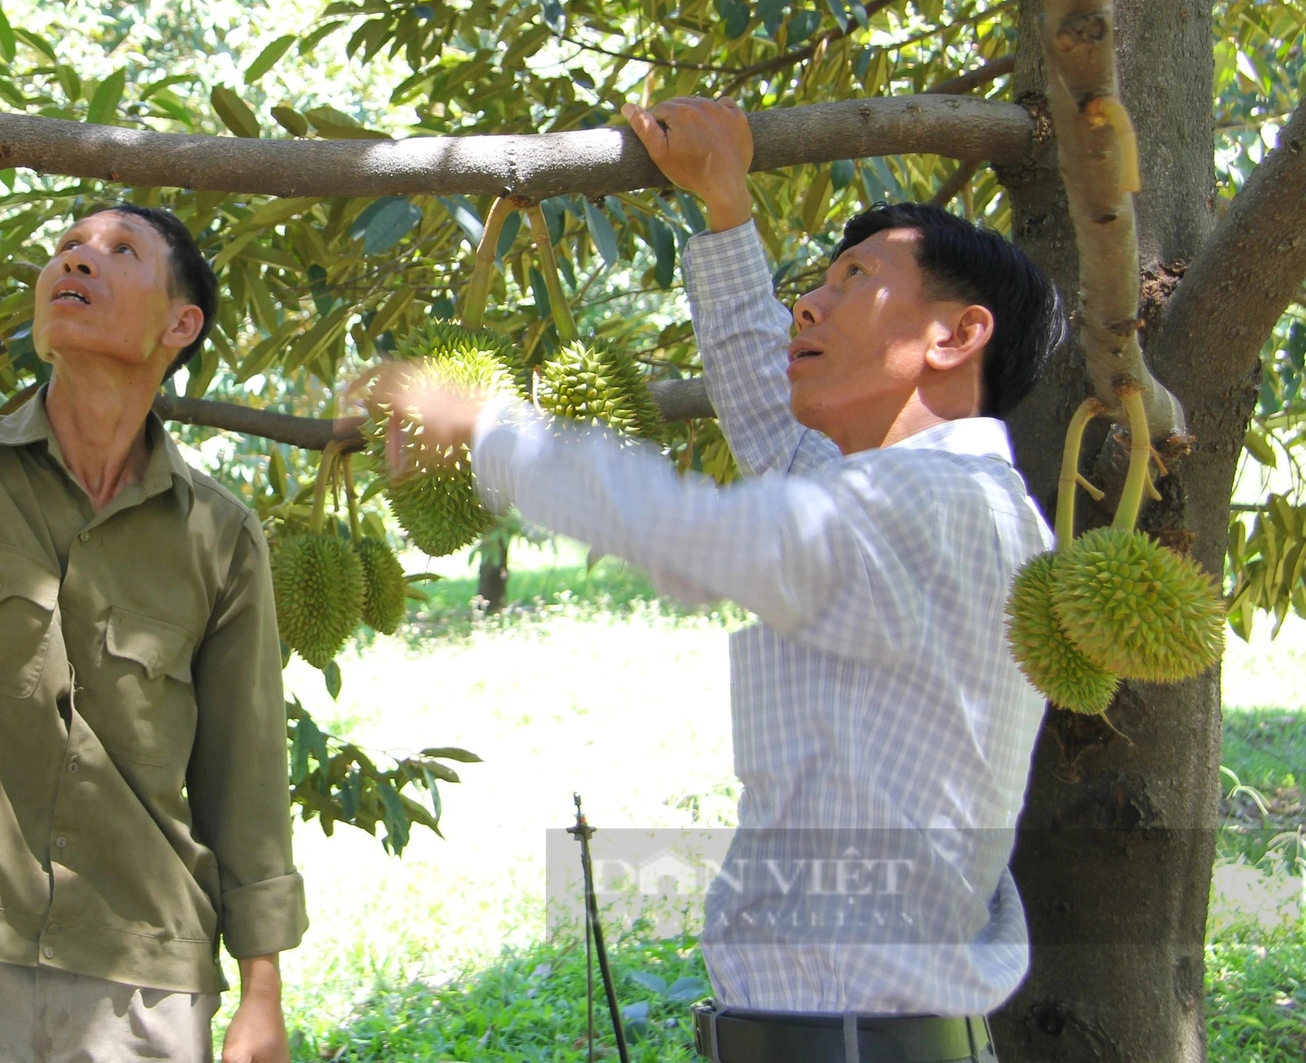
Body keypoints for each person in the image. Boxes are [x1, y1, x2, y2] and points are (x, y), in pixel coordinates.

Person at [385, 97, 1063, 1063]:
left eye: (856, 279)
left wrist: (487, 428)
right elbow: (765, 415)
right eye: (816, 283)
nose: (809, 304)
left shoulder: (930, 506)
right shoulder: (909, 500)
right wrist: (725, 203)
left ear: (954, 338)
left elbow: (694, 533)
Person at [0, 75, 303, 1063]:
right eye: (69, 246)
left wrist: (261, 991)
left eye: (122, 252)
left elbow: (244, 773)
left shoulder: (218, 533)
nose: (79, 254)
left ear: (179, 326)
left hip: (145, 971)